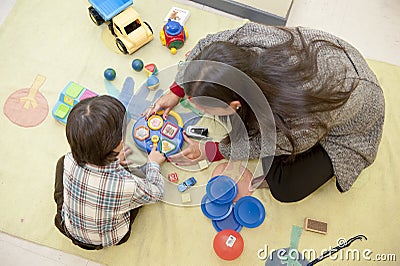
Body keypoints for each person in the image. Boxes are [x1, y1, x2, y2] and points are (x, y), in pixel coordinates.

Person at [146, 22, 385, 202]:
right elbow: (203, 47)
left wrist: (214, 150)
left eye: (200, 104)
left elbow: (271, 143)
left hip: (352, 120)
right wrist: (178, 88)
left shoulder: (294, 118)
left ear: (234, 105)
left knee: (285, 187)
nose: (192, 104)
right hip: (334, 61)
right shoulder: (243, 39)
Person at [54, 95, 165, 249]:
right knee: (139, 181)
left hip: (67, 227)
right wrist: (153, 164)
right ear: (120, 144)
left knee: (61, 168)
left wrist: (113, 158)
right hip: (106, 239)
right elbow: (157, 193)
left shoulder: (68, 160)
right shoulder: (127, 184)